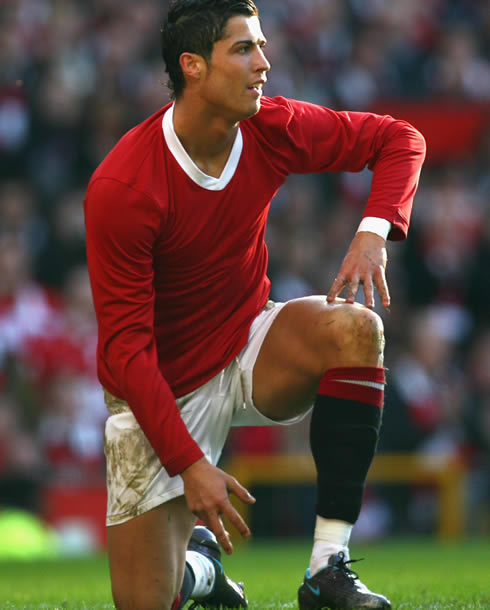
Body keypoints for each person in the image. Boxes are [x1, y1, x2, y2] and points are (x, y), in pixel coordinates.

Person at [83, 1, 426, 608]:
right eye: (244, 50)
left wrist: (374, 231)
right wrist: (190, 465)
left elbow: (400, 138)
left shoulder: (270, 125)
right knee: (146, 601)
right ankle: (203, 572)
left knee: (356, 328)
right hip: (159, 389)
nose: (264, 64)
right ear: (192, 67)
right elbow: (126, 349)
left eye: (261, 45)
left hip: (246, 345)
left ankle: (328, 568)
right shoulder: (123, 187)